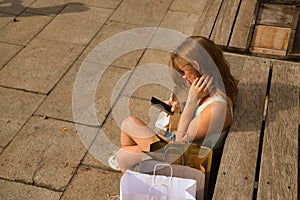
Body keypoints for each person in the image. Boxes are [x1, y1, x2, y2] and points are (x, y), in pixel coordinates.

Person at [108, 36, 238, 173]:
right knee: (129, 127)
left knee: (124, 151)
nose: (183, 76)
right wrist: (180, 107)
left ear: (196, 66)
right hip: (180, 148)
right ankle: (134, 169)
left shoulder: (217, 108)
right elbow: (199, 116)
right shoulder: (215, 88)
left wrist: (191, 102)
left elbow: (181, 140)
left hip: (185, 157)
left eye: (183, 71)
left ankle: (132, 171)